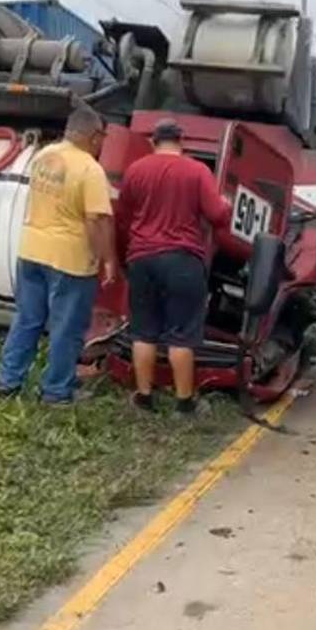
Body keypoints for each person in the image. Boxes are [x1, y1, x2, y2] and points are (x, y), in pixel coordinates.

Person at [0, 104, 116, 404]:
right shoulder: (90, 169)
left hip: (31, 251)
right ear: (94, 136)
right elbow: (96, 220)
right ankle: (57, 391)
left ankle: (8, 382)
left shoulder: (43, 156)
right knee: (66, 329)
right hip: (70, 260)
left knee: (27, 319)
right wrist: (109, 258)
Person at [117, 119, 232, 413]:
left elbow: (124, 215)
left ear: (154, 141)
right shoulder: (196, 171)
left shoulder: (136, 170)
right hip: (182, 259)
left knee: (143, 331)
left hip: (141, 258)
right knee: (181, 334)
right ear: (182, 141)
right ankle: (184, 403)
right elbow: (218, 215)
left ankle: (143, 397)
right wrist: (227, 203)